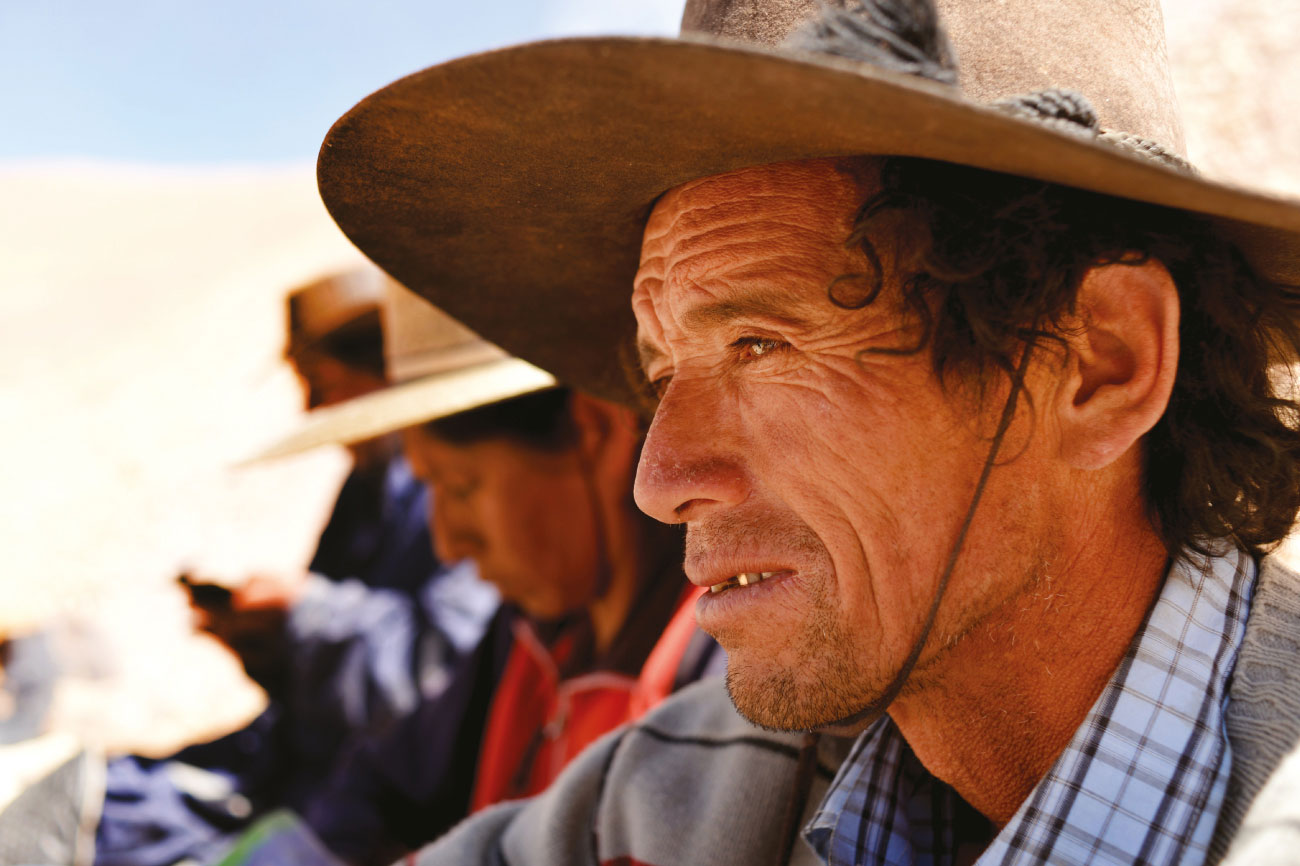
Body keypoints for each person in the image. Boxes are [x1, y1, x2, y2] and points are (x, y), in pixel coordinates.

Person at [311, 0, 1300, 863]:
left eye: (759, 342)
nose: (661, 479)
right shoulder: (674, 795)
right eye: (661, 373)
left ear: (1099, 362)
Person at [194, 280, 721, 866]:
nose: (449, 543)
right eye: (430, 491)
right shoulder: (524, 637)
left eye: (460, 488)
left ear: (591, 431)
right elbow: (383, 785)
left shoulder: (723, 669)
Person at [90, 270, 500, 866]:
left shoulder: (464, 493)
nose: (310, 407)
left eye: (322, 384)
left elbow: (434, 676)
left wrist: (303, 615)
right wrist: (266, 644)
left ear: (381, 374)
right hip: (300, 774)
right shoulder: (366, 493)